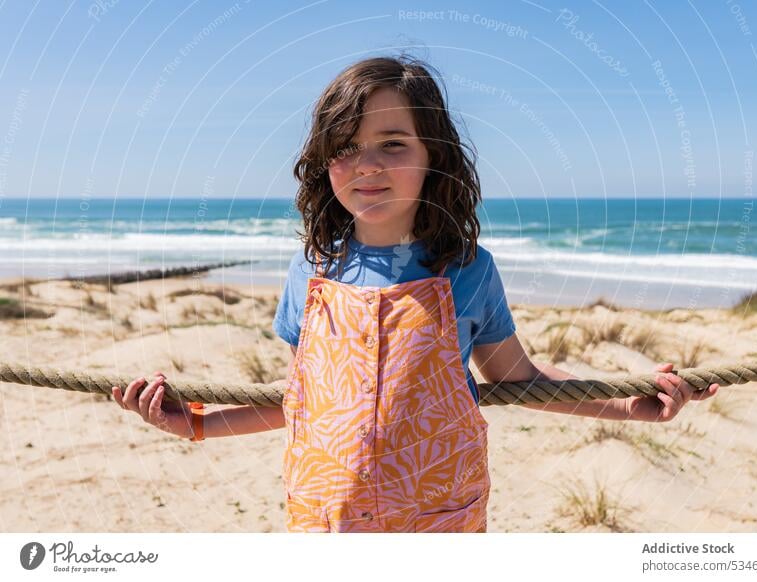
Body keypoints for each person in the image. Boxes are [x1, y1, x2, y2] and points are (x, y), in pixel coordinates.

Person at [112, 55, 721, 533]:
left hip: (438, 526)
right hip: (328, 526)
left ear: (435, 156)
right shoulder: (311, 275)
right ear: (324, 164)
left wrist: (627, 405)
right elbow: (300, 403)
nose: (366, 164)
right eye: (345, 148)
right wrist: (193, 423)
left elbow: (518, 379)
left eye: (393, 144)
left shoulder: (468, 271)